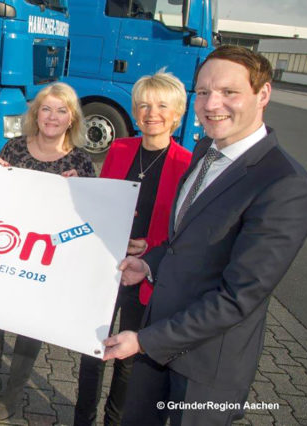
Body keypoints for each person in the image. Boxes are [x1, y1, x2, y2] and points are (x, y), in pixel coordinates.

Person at [103, 45, 307, 425]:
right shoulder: (206, 150)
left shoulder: (285, 184)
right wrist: (148, 264)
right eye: (203, 92)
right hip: (156, 343)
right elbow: (184, 241)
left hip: (206, 371)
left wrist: (145, 340)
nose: (212, 104)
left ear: (262, 94)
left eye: (229, 92)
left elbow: (238, 298)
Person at [0, 82, 95, 420]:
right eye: (46, 109)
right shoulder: (13, 148)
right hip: (4, 252)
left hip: (46, 262)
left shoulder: (81, 163)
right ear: (35, 113)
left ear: (72, 118)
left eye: (61, 110)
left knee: (30, 327)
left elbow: (88, 224)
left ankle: (12, 392)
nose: (52, 117)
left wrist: (80, 193)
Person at [74, 71, 192, 426]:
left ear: (176, 114)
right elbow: (103, 203)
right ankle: (82, 419)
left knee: (128, 360)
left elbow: (186, 227)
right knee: (91, 351)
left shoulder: (186, 164)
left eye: (161, 106)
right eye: (143, 105)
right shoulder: (120, 148)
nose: (150, 112)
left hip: (147, 277)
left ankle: (114, 421)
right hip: (107, 268)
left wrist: (151, 246)